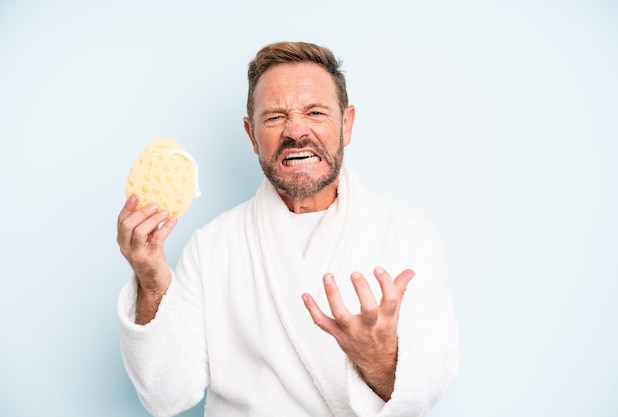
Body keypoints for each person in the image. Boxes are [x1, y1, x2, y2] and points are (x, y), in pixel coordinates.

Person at [116, 41, 459, 417]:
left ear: (346, 124)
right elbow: (167, 396)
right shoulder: (212, 246)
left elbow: (430, 382)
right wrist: (150, 282)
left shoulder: (409, 236)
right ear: (251, 135)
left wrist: (379, 359)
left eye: (315, 112)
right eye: (275, 117)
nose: (296, 130)